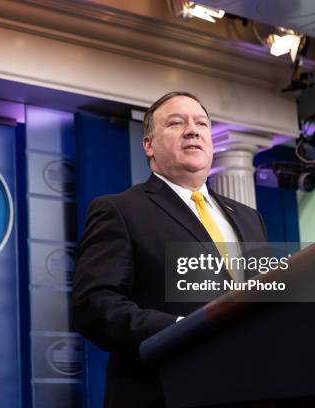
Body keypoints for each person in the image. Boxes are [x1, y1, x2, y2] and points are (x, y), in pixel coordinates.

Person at [72, 91, 268, 407]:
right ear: (148, 145)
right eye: (176, 123)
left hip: (248, 389)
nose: (193, 130)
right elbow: (94, 306)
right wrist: (180, 330)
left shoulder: (248, 217)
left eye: (201, 123)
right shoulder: (119, 210)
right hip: (162, 391)